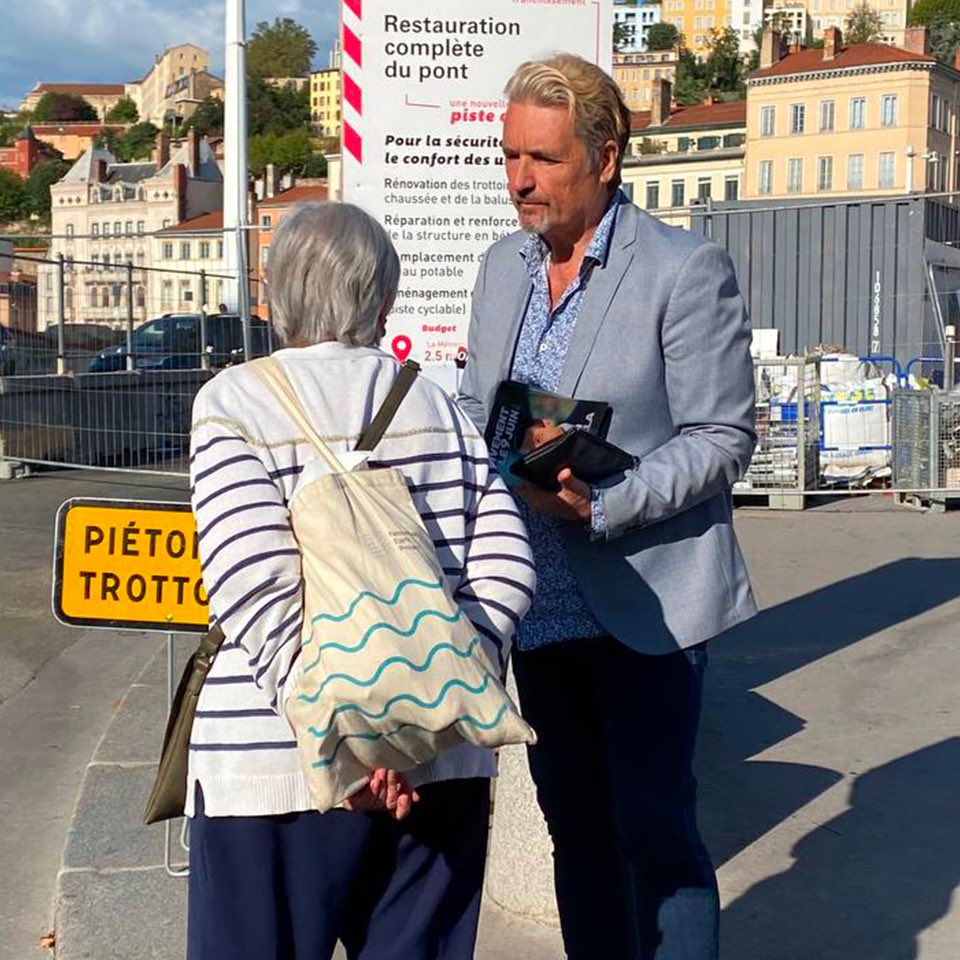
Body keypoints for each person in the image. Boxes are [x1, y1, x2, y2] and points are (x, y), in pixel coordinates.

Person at [457, 54, 757, 960]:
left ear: (607, 156)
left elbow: (723, 436)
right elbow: (481, 409)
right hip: (539, 605)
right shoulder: (502, 269)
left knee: (656, 833)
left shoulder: (682, 269)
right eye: (509, 156)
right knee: (576, 833)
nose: (519, 180)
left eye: (542, 159)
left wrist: (607, 503)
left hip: (646, 597)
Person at [187, 201, 535, 960]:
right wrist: (425, 708)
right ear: (383, 298)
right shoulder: (437, 403)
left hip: (275, 771)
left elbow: (254, 584)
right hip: (440, 768)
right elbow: (507, 564)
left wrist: (345, 747)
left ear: (275, 297)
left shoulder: (234, 402)